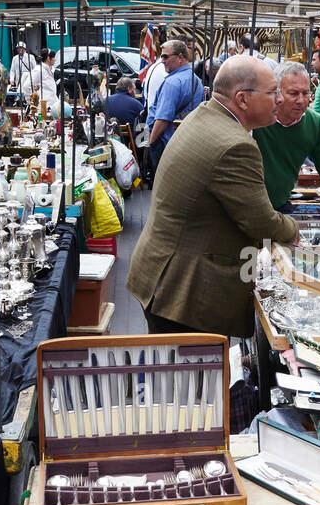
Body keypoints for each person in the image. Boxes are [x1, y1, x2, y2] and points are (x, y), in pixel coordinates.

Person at [127, 56, 298, 337]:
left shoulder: (205, 115)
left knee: (174, 373)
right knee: (186, 377)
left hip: (163, 275)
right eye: (273, 92)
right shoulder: (235, 145)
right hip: (182, 291)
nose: (279, 99)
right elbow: (261, 222)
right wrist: (293, 228)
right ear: (242, 99)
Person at [253, 61, 320, 215]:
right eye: (293, 93)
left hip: (278, 206)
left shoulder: (315, 124)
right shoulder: (257, 117)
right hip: (248, 207)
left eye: (305, 93)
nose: (301, 100)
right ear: (276, 93)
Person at [146, 39, 204, 170]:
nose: (162, 61)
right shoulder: (196, 80)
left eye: (165, 56)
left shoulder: (172, 83)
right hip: (186, 143)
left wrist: (151, 142)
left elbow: (163, 119)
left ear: (180, 57)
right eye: (161, 56)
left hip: (167, 144)